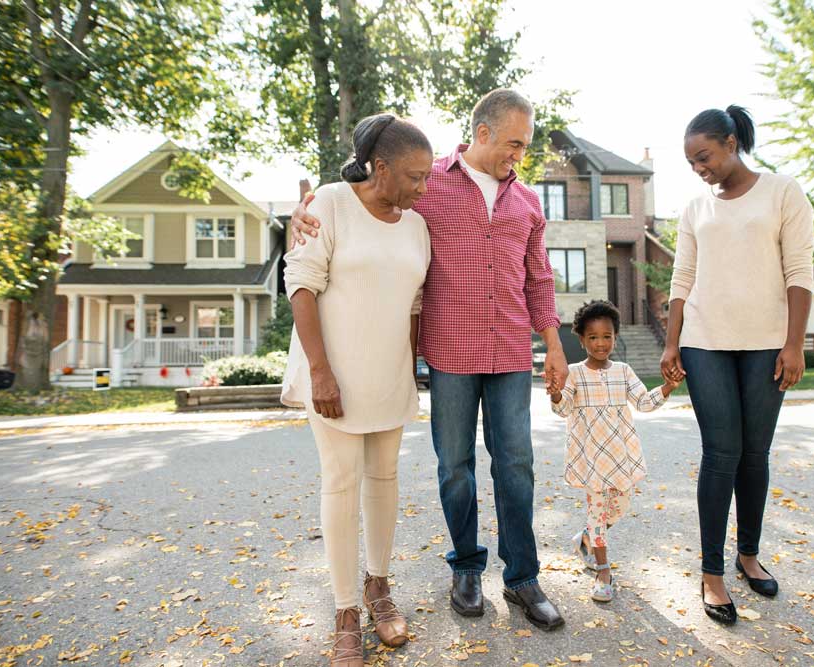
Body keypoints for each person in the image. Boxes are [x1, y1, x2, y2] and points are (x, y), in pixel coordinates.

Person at [289, 89, 569, 631]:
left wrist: (553, 343)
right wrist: (300, 212)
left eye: (525, 145)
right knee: (454, 468)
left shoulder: (529, 202)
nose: (520, 154)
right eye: (514, 143)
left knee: (517, 465)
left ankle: (523, 578)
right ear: (482, 133)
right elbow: (365, 189)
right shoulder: (428, 182)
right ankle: (465, 568)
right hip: (450, 349)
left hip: (510, 346)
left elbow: (540, 275)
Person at [280, 113, 433, 667]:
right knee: (341, 483)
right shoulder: (329, 204)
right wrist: (320, 370)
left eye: (429, 176)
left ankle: (379, 587)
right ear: (381, 166)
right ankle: (345, 610)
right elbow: (300, 285)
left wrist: (412, 371)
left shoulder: (416, 224)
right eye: (415, 176)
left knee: (385, 479)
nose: (424, 187)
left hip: (389, 373)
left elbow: (414, 306)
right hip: (334, 376)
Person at [660, 105, 814, 625]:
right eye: (691, 162)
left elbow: (799, 272)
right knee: (721, 452)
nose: (699, 168)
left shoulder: (783, 191)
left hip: (768, 343)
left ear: (730, 143)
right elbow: (681, 280)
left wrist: (794, 344)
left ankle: (747, 554)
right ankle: (711, 572)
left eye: (704, 156)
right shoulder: (695, 210)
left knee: (755, 454)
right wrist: (671, 343)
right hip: (706, 342)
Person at [551, 300, 680, 602]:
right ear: (581, 339)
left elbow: (643, 402)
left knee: (619, 508)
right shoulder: (574, 373)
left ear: (615, 337)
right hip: (591, 458)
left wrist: (667, 388)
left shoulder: (623, 371)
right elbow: (563, 409)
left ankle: (586, 537)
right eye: (593, 337)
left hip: (619, 457)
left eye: (606, 336)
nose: (600, 343)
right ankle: (603, 570)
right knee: (597, 511)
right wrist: (556, 392)